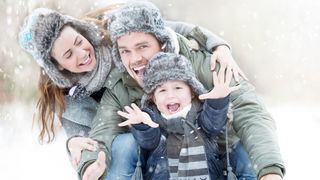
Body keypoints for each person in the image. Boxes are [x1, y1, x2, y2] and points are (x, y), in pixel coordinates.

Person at [18, 5, 243, 180]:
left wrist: (218, 46)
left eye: (79, 42)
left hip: (170, 137)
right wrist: (79, 151)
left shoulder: (119, 40)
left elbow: (171, 29)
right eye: (68, 54)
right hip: (138, 154)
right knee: (124, 144)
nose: (82, 53)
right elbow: (94, 142)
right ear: (57, 66)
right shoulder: (70, 104)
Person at [76, 1, 285, 180]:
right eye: (125, 51)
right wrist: (92, 163)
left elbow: (250, 112)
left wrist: (269, 169)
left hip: (217, 160)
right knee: (123, 144)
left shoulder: (207, 65)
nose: (135, 59)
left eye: (142, 47)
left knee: (245, 147)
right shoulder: (121, 86)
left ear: (162, 43)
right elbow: (102, 131)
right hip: (160, 168)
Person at [117, 52, 256, 179]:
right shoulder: (154, 123)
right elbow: (149, 141)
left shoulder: (201, 118)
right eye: (162, 90)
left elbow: (214, 123)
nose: (170, 95)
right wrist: (143, 125)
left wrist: (218, 101)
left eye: (178, 88)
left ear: (192, 92)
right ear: (153, 98)